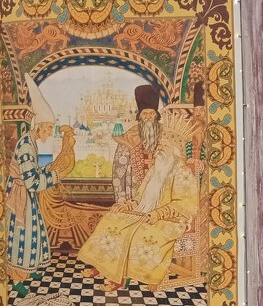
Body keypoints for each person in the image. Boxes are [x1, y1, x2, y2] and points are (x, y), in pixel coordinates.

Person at [77, 112, 204, 290]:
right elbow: (139, 197)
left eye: (164, 146)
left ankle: (118, 279)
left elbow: (185, 204)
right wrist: (126, 205)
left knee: (136, 233)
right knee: (110, 220)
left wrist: (158, 213)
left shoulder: (182, 172)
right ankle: (103, 268)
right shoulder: (155, 170)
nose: (159, 149)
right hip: (144, 213)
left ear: (175, 150)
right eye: (159, 145)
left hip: (170, 220)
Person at [6, 75, 75, 282]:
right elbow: (32, 182)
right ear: (38, 126)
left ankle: (27, 269)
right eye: (47, 129)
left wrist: (47, 169)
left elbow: (32, 172)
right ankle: (18, 277)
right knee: (22, 235)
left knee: (32, 232)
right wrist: (54, 175)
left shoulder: (31, 142)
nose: (49, 133)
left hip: (26, 196)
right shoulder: (26, 146)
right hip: (21, 197)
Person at [112, 85, 162, 204]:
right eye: (145, 114)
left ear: (156, 115)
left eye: (151, 113)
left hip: (160, 191)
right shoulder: (129, 136)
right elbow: (119, 167)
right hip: (133, 192)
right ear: (139, 116)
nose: (148, 117)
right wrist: (121, 198)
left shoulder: (166, 135)